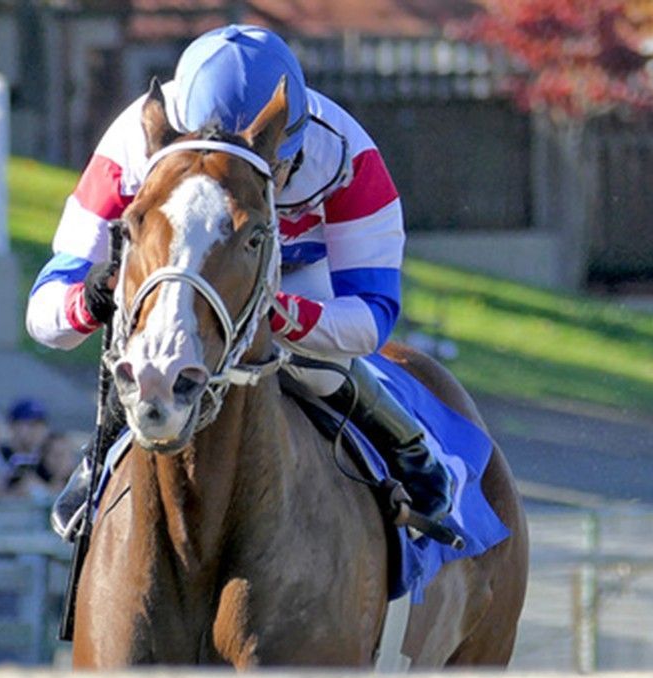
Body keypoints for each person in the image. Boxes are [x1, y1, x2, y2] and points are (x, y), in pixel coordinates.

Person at [26, 25, 453, 538]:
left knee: (318, 368)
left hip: (299, 275)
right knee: (145, 347)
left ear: (294, 139)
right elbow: (46, 319)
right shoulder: (129, 145)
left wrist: (270, 313)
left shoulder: (349, 157)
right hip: (190, 276)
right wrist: (93, 299)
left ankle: (406, 443)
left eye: (278, 168)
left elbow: (371, 321)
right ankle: (101, 453)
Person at [0, 397, 51, 494]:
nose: (36, 430)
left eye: (40, 424)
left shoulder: (48, 459)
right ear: (13, 426)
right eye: (30, 424)